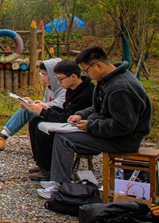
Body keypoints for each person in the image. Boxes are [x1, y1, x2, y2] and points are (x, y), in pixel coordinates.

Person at [40, 46, 152, 198]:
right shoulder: (106, 80)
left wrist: (90, 126)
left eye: (86, 71)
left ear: (98, 65)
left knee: (64, 139)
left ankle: (60, 186)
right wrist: (81, 115)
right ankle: (58, 181)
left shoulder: (121, 87)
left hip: (124, 139)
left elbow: (123, 125)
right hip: (113, 133)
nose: (87, 75)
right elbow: (97, 108)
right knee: (62, 134)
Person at [25, 60, 94, 181]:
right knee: (35, 122)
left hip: (79, 128)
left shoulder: (86, 92)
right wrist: (47, 107)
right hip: (70, 123)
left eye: (61, 79)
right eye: (57, 79)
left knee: (42, 127)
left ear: (73, 77)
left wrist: (44, 112)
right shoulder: (71, 89)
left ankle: (49, 169)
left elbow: (68, 118)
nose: (59, 83)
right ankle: (42, 164)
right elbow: (65, 111)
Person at [0, 58, 65, 150]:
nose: (43, 78)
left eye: (45, 75)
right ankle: (1, 137)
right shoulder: (51, 87)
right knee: (25, 110)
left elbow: (53, 108)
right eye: (41, 75)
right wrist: (31, 104)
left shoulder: (64, 90)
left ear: (53, 76)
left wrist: (33, 106)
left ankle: (1, 136)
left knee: (27, 112)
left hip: (58, 120)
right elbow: (45, 104)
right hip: (48, 116)